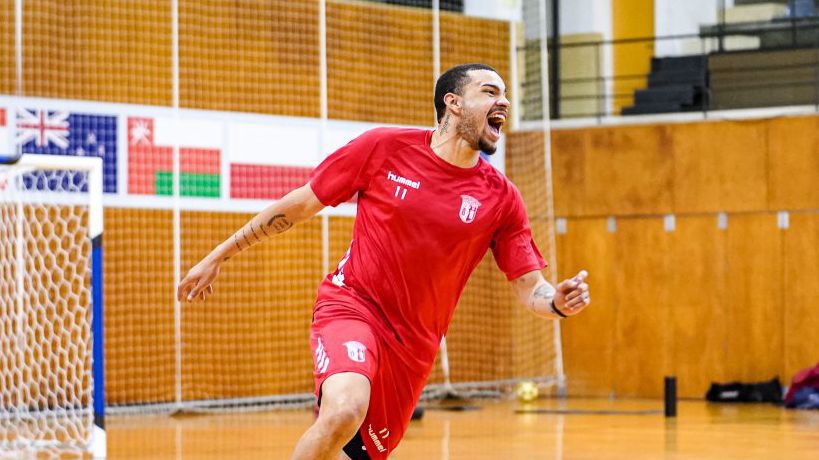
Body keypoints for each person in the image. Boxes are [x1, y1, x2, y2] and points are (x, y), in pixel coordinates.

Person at [177, 63, 591, 460]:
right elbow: (301, 204)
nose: (503, 102)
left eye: (506, 95)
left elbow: (528, 285)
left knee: (352, 453)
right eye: (490, 92)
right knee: (343, 410)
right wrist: (219, 255)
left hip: (414, 346)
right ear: (453, 103)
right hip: (352, 305)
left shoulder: (501, 197)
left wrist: (556, 300)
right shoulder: (384, 148)